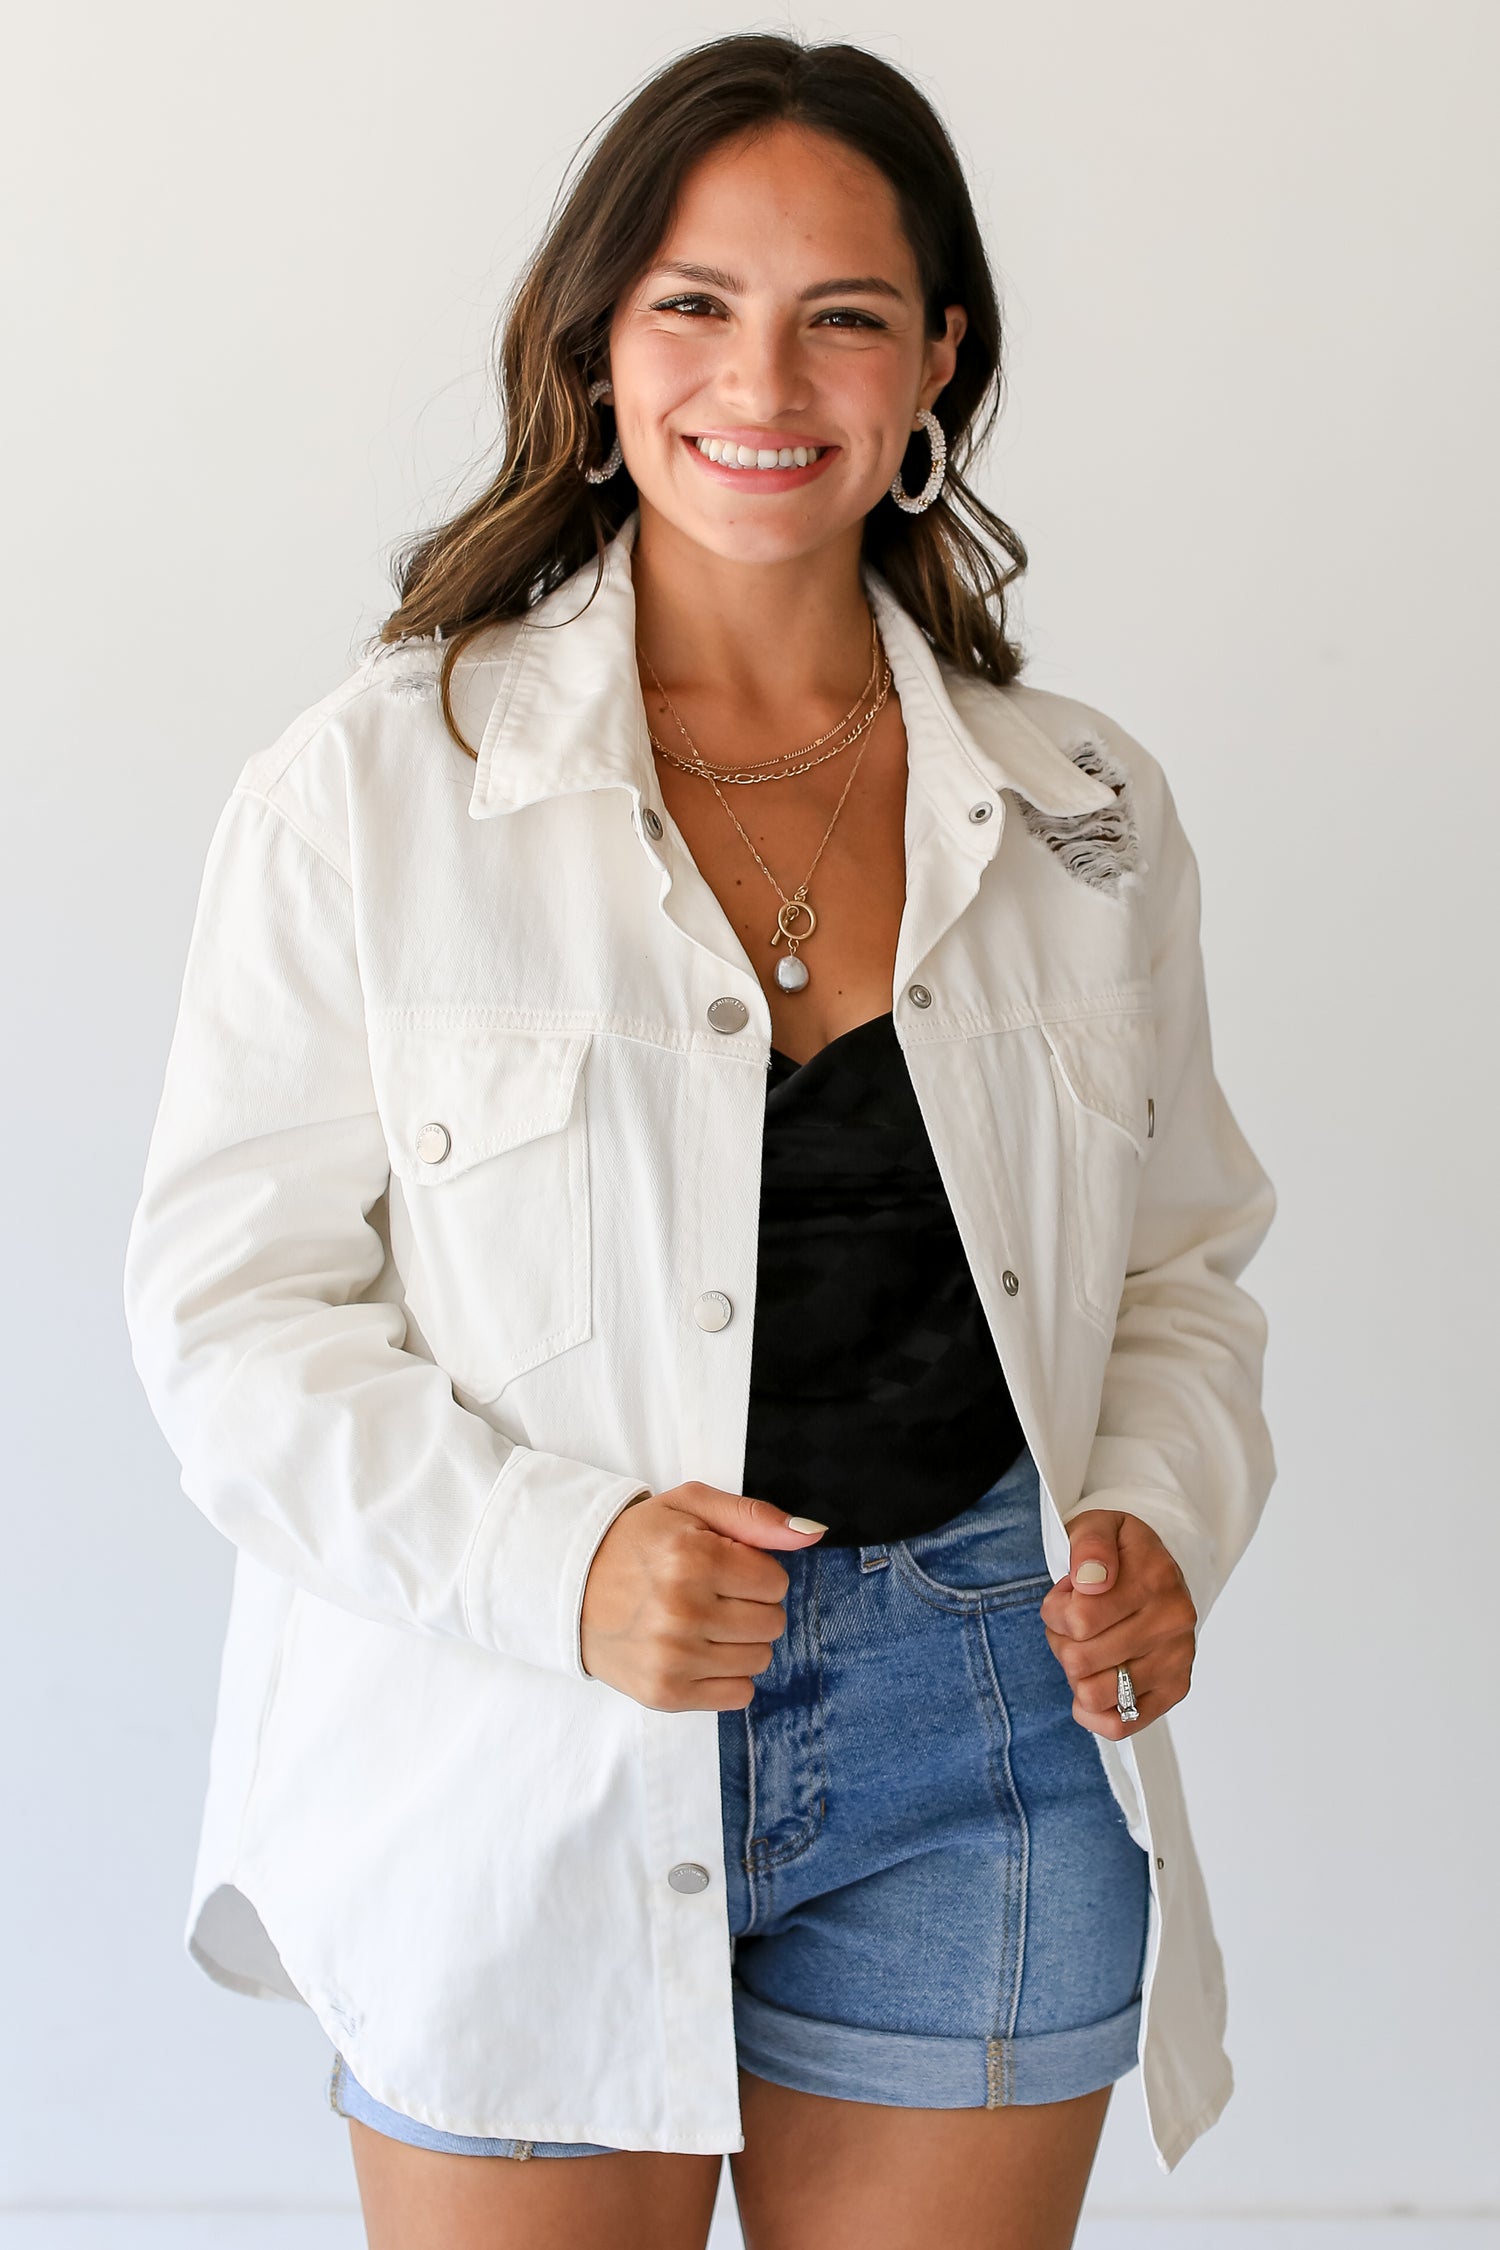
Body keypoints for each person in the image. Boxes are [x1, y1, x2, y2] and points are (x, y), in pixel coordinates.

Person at [121, 32, 1275, 2250]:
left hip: (988, 1724)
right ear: (598, 342)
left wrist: (1158, 1513)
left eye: (845, 310)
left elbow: (1181, 1272)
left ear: (938, 359)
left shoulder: (1081, 809)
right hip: (513, 1735)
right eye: (695, 303)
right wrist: (562, 1563)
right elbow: (231, 1320)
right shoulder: (373, 791)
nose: (769, 373)